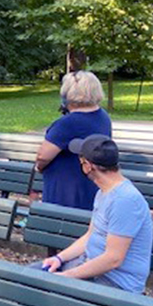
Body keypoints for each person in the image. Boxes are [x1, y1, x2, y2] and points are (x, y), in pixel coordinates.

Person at [5, 135, 152, 306]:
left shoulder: (125, 200)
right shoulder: (106, 192)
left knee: (54, 305)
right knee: (31, 277)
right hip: (92, 268)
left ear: (88, 165)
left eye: (80, 160)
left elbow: (113, 259)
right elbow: (90, 237)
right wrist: (59, 259)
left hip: (116, 284)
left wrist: (68, 276)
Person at [36, 71, 111, 209]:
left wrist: (39, 167)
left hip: (66, 190)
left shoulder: (67, 123)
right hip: (92, 184)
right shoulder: (103, 117)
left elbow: (43, 156)